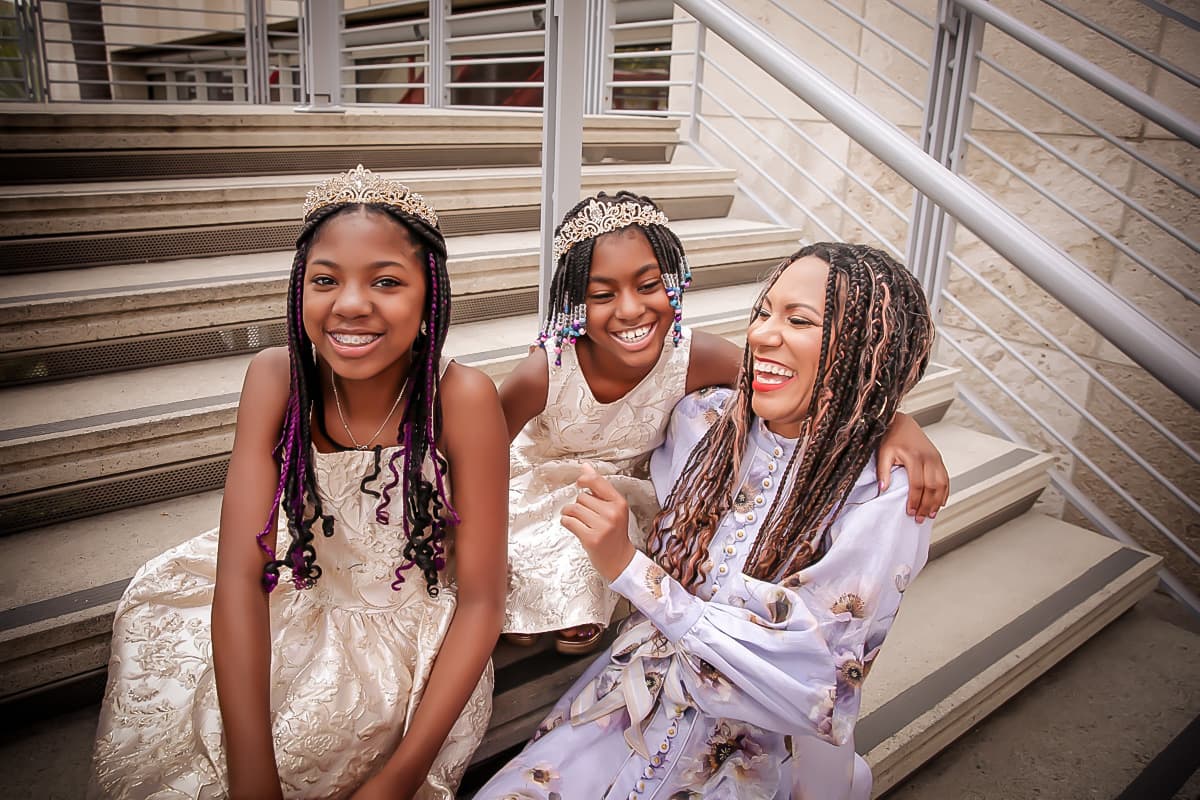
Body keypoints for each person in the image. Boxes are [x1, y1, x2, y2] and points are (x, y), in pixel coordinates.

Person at [87, 166, 508, 800]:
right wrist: (249, 775)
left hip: (410, 634)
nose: (351, 304)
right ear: (299, 289)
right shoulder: (275, 378)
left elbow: (482, 602)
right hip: (303, 593)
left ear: (430, 294)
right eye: (325, 280)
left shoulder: (462, 397)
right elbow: (238, 574)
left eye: (387, 281)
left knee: (324, 748)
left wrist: (401, 777)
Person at [476, 242, 936, 800]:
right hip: (618, 707)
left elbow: (812, 682)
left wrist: (629, 569)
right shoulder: (705, 421)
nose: (764, 334)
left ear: (867, 349)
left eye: (799, 320)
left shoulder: (883, 493)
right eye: (763, 311)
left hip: (748, 757)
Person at [499, 193, 947, 656]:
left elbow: (794, 383)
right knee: (532, 537)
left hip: (625, 489)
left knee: (604, 539)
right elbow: (483, 448)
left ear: (674, 281)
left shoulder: (696, 357)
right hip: (542, 482)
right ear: (574, 302)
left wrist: (893, 420)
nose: (630, 310)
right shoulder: (546, 370)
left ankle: (567, 603)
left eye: (649, 285)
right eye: (602, 295)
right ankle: (525, 600)